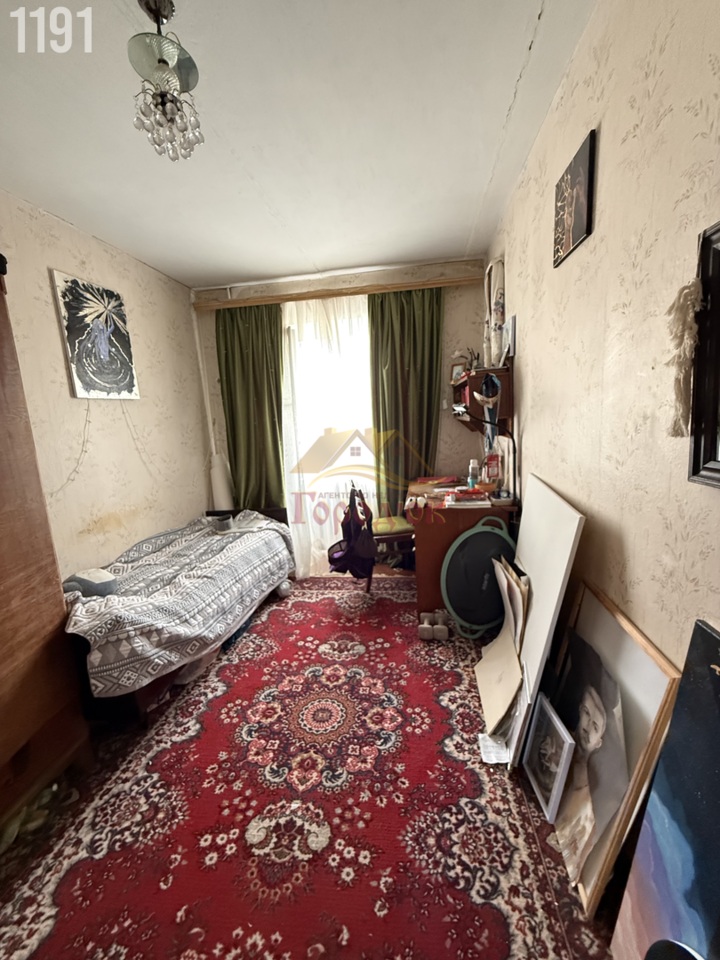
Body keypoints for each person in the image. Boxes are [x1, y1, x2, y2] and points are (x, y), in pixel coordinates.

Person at [554, 684, 607, 884]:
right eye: (586, 713)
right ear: (579, 709)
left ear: (599, 742)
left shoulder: (588, 807)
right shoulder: (555, 741)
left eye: (595, 727)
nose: (587, 727)